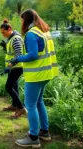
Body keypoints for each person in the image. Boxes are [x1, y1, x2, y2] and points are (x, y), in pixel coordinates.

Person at [11, 9, 58, 148]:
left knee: (30, 104)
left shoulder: (31, 34)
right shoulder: (44, 31)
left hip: (36, 75)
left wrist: (17, 59)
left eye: (22, 20)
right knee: (39, 102)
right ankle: (44, 131)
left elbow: (32, 55)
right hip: (46, 73)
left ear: (27, 20)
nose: (21, 23)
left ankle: (33, 137)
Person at [0, 19, 27, 119]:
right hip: (13, 66)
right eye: (1, 32)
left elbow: (19, 54)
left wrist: (10, 65)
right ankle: (14, 105)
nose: (3, 34)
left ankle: (21, 108)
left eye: (4, 32)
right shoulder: (11, 38)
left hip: (17, 67)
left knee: (8, 87)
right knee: (14, 86)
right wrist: (5, 47)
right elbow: (12, 52)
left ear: (9, 29)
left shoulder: (15, 38)